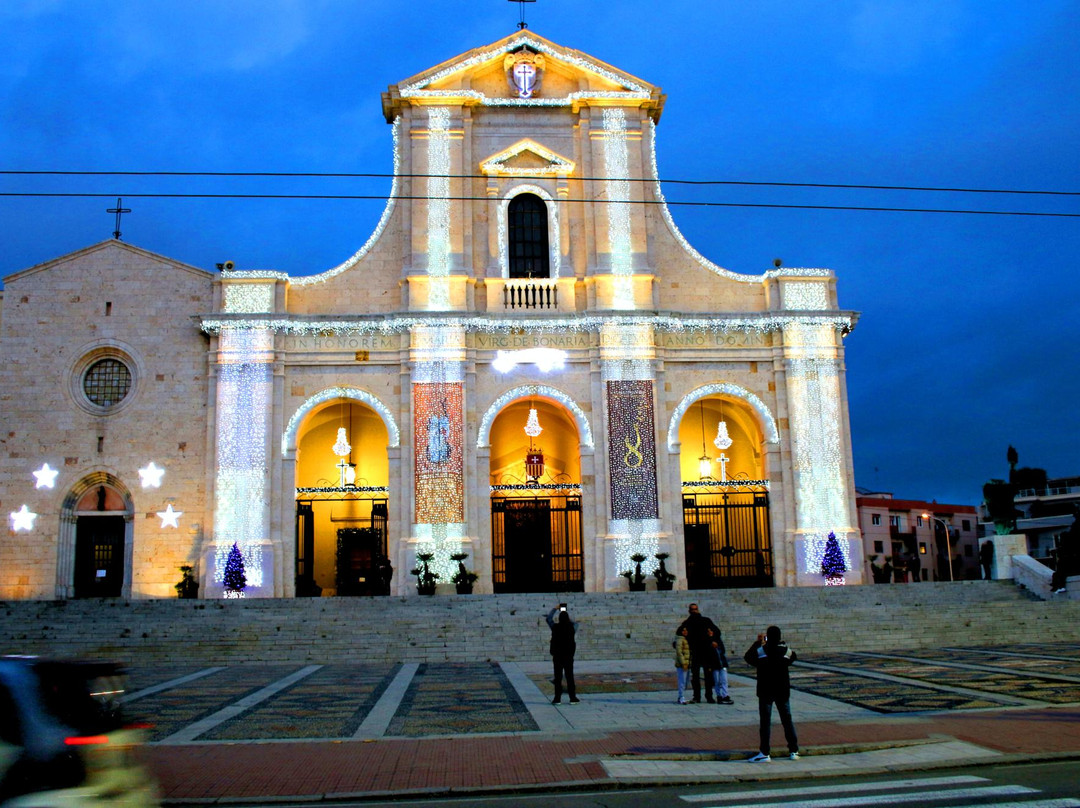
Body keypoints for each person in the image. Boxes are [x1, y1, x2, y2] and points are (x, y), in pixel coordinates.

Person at [743, 625, 799, 762]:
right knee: (787, 720)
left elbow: (748, 657)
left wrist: (758, 642)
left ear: (767, 636)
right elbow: (793, 657)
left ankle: (765, 752)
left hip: (766, 690)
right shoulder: (785, 651)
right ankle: (793, 750)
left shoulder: (761, 650)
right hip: (782, 690)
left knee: (765, 722)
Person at [677, 602, 720, 703]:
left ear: (698, 610)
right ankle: (697, 696)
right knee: (695, 676)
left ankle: (709, 696)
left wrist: (712, 637)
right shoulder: (687, 623)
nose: (694, 611)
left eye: (695, 609)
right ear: (689, 611)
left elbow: (717, 632)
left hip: (706, 652)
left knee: (708, 675)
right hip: (695, 653)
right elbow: (679, 633)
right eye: (692, 609)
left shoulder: (706, 621)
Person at [546, 603, 579, 704]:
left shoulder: (555, 627)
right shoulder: (572, 627)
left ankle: (557, 698)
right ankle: (572, 698)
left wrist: (555, 609)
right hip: (568, 656)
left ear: (559, 619)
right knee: (569, 677)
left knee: (558, 677)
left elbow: (548, 619)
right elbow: (575, 622)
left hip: (558, 656)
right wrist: (565, 612)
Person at [707, 626, 734, 704]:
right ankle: (719, 695)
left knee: (724, 680)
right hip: (714, 664)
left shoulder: (718, 640)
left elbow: (723, 650)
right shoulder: (708, 641)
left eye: (711, 631)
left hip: (722, 663)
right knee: (717, 681)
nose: (710, 633)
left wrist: (717, 645)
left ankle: (725, 695)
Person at [673, 625, 691, 704]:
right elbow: (679, 652)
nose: (685, 632)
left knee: (685, 681)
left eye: (686, 630)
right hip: (682, 664)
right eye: (684, 630)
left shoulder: (685, 639)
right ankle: (681, 696)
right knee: (682, 681)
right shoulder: (680, 639)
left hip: (687, 663)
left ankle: (682, 696)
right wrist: (683, 663)